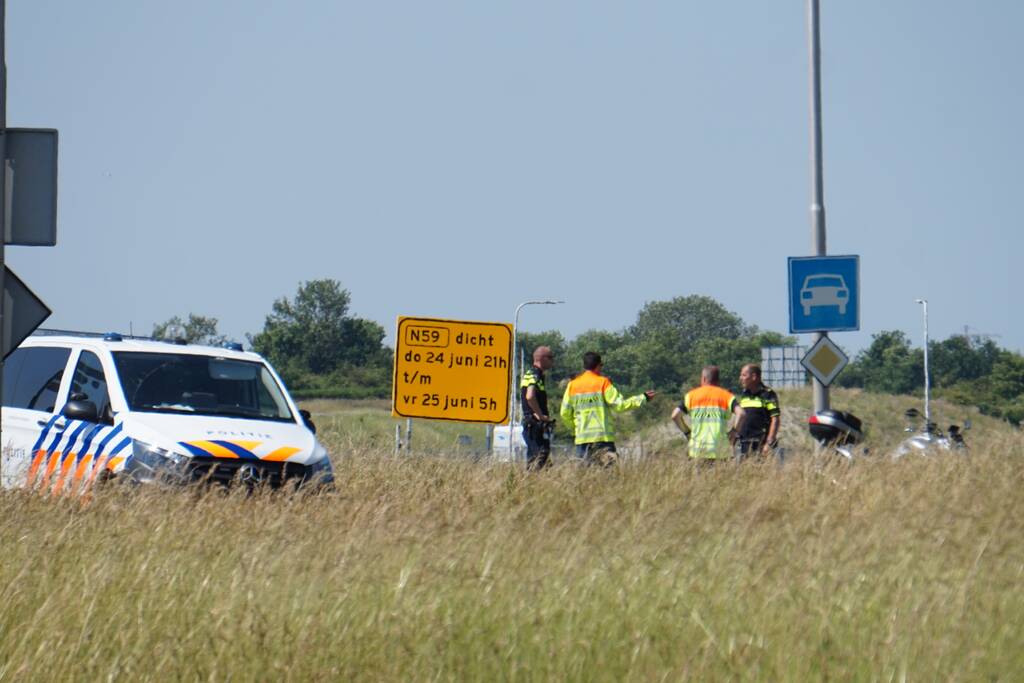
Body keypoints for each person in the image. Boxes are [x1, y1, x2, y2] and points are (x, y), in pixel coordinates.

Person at [559, 351, 655, 466]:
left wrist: (575, 430)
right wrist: (642, 398)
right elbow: (619, 405)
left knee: (584, 477)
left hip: (582, 439)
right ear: (598, 365)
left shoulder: (572, 385)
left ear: (584, 366)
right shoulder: (603, 382)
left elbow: (564, 413)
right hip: (603, 438)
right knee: (608, 477)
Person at [671, 365, 744, 461]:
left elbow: (675, 415)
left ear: (704, 378)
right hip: (720, 451)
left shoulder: (691, 396)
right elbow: (741, 413)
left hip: (697, 451)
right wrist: (734, 432)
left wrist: (687, 432)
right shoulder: (726, 396)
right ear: (718, 380)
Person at [734, 364, 781, 460]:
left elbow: (775, 419)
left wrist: (769, 443)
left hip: (761, 444)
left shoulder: (768, 394)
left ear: (754, 377)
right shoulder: (744, 394)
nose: (740, 378)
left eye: (744, 375)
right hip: (744, 443)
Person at [520, 345, 555, 470]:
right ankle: (531, 484)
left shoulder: (532, 373)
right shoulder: (535, 374)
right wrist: (540, 415)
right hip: (534, 425)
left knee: (541, 460)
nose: (553, 361)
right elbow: (530, 396)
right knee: (538, 459)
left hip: (534, 425)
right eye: (551, 357)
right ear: (543, 359)